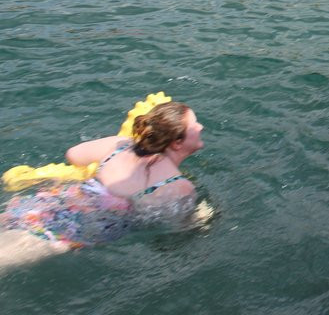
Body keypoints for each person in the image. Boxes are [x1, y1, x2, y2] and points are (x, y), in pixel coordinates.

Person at [0, 102, 205, 273]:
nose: (201, 127)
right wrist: (203, 217)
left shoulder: (120, 145)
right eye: (195, 125)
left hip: (44, 204)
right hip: (70, 230)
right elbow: (176, 230)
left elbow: (74, 154)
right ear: (177, 143)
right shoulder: (178, 186)